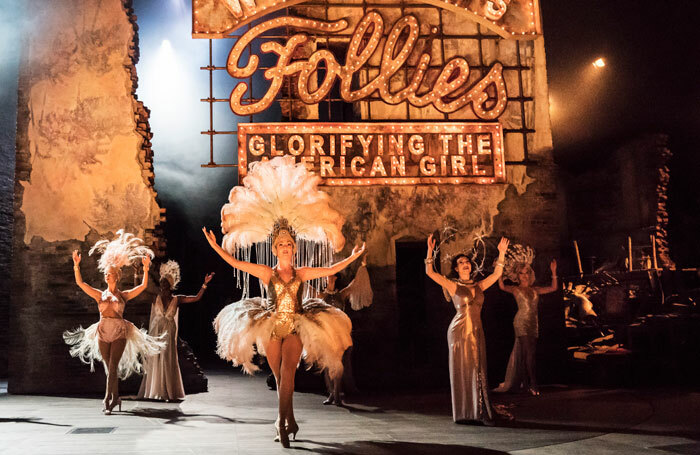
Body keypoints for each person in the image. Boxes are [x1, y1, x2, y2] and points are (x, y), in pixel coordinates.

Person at [203, 155, 361, 448]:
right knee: (279, 379)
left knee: (289, 373)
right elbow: (236, 263)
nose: (286, 248)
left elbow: (328, 270)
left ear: (294, 247)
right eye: (281, 245)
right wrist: (215, 246)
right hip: (272, 324)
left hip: (298, 324)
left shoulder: (301, 272)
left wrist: (353, 256)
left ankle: (281, 424)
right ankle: (288, 419)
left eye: (289, 244)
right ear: (275, 248)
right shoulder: (267, 272)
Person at [64, 230, 165, 415]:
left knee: (112, 367)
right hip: (103, 331)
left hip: (119, 330)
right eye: (106, 274)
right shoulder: (99, 295)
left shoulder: (123, 295)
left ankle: (107, 400)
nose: (107, 276)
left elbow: (142, 287)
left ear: (117, 277)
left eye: (110, 274)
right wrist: (76, 266)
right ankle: (116, 397)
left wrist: (145, 269)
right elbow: (81, 284)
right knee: (108, 368)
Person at [424, 234, 509, 424]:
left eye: (467, 262)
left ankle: (479, 410)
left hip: (477, 330)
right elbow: (430, 272)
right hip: (459, 331)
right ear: (456, 268)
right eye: (461, 262)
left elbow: (496, 274)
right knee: (462, 369)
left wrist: (501, 254)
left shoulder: (479, 286)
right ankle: (464, 412)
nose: (465, 264)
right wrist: (430, 251)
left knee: (478, 368)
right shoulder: (453, 286)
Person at [137, 260, 214, 401]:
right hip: (156, 330)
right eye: (161, 283)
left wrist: (205, 284)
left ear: (170, 285)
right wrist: (139, 273)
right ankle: (155, 389)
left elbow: (196, 298)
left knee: (167, 357)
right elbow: (140, 292)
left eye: (165, 283)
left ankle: (167, 390)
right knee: (155, 357)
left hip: (169, 330)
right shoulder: (155, 297)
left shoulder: (177, 299)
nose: (163, 286)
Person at [494, 258, 557, 395]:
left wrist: (553, 271)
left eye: (527, 272)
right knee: (530, 354)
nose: (524, 275)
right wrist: (498, 270)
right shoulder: (515, 289)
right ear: (518, 276)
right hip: (521, 321)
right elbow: (502, 286)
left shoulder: (536, 289)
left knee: (526, 354)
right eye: (521, 273)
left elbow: (553, 288)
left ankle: (525, 384)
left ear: (530, 274)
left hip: (534, 323)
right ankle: (533, 384)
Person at [318, 258, 373, 405]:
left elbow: (355, 284)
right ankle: (331, 393)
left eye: (332, 274)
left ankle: (337, 394)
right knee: (327, 364)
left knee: (338, 363)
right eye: (327, 275)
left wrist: (363, 265)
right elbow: (302, 286)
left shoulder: (340, 295)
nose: (329, 277)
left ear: (335, 277)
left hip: (339, 333)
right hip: (326, 332)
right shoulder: (320, 296)